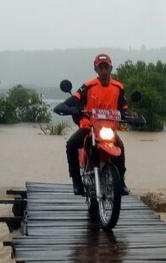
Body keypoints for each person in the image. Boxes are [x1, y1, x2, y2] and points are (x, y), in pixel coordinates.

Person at [54, 53, 130, 196]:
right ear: (95, 69)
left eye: (106, 67)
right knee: (71, 144)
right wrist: (66, 107)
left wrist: (131, 116)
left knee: (120, 146)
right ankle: (76, 181)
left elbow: (124, 108)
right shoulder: (88, 87)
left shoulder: (118, 88)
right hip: (89, 127)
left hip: (108, 129)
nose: (103, 70)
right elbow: (73, 100)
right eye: (100, 67)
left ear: (111, 68)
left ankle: (122, 182)